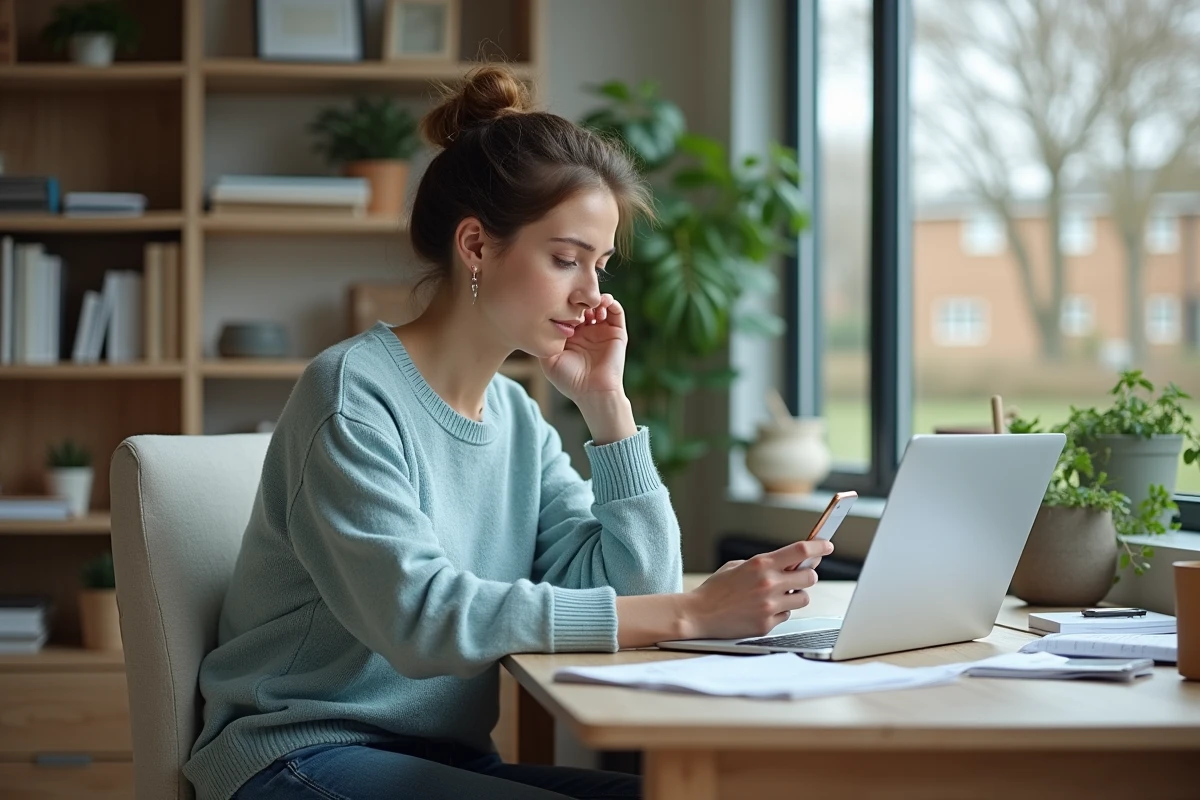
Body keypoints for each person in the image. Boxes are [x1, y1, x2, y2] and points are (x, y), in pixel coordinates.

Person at [183, 65, 832, 800]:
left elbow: (634, 585)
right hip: (301, 754)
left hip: (443, 759)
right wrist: (691, 611)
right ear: (476, 246)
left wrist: (608, 410)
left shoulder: (517, 417)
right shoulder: (351, 396)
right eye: (566, 260)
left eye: (600, 265)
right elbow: (420, 620)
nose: (593, 295)